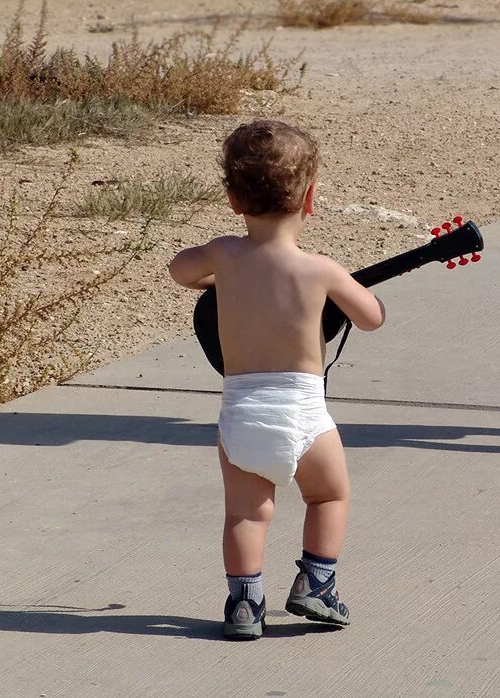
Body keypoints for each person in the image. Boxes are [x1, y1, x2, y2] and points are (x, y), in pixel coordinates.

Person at [168, 120, 385, 639]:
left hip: (242, 413)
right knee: (328, 496)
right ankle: (316, 581)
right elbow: (371, 317)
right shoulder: (320, 269)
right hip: (304, 412)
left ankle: (245, 604)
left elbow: (179, 270)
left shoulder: (224, 254)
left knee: (246, 514)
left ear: (232, 200)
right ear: (310, 198)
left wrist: (223, 274)